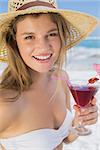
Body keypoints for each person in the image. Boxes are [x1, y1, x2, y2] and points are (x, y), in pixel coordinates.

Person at [0, 0, 98, 149]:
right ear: (14, 42)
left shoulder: (60, 77)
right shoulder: (4, 102)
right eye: (29, 37)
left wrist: (79, 122)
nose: (43, 47)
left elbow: (65, 139)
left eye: (52, 34)